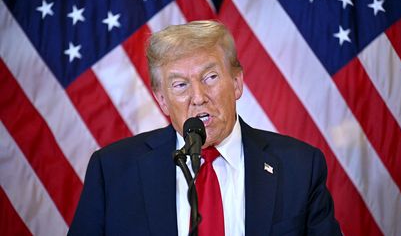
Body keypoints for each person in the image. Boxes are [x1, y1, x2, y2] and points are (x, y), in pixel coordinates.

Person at [68, 20, 342, 236]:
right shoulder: (113, 170)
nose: (198, 97)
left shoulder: (299, 166)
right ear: (162, 99)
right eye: (180, 85)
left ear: (236, 83)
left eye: (210, 77)